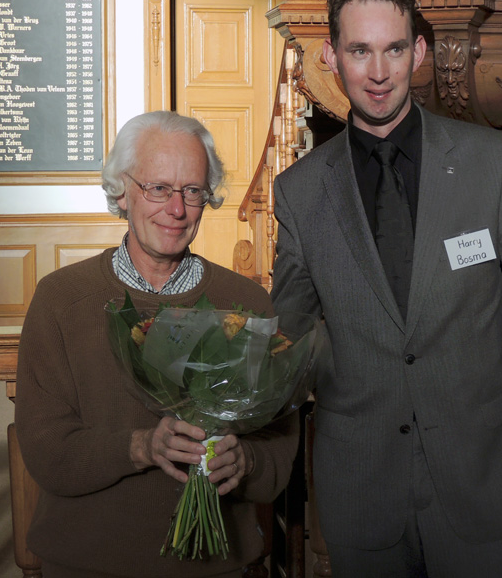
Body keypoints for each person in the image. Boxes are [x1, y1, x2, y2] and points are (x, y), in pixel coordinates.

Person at [269, 0, 502, 578]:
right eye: (359, 51)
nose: (378, 73)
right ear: (331, 56)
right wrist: (219, 408)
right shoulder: (299, 192)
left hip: (485, 486)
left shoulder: (494, 165)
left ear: (421, 51)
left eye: (394, 49)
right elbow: (283, 341)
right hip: (363, 495)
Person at [15, 111, 298, 577]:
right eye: (158, 188)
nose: (177, 209)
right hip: (87, 564)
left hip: (217, 567)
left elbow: (278, 455)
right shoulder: (61, 300)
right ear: (122, 191)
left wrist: (244, 460)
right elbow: (48, 453)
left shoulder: (246, 304)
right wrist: (143, 446)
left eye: (192, 191)